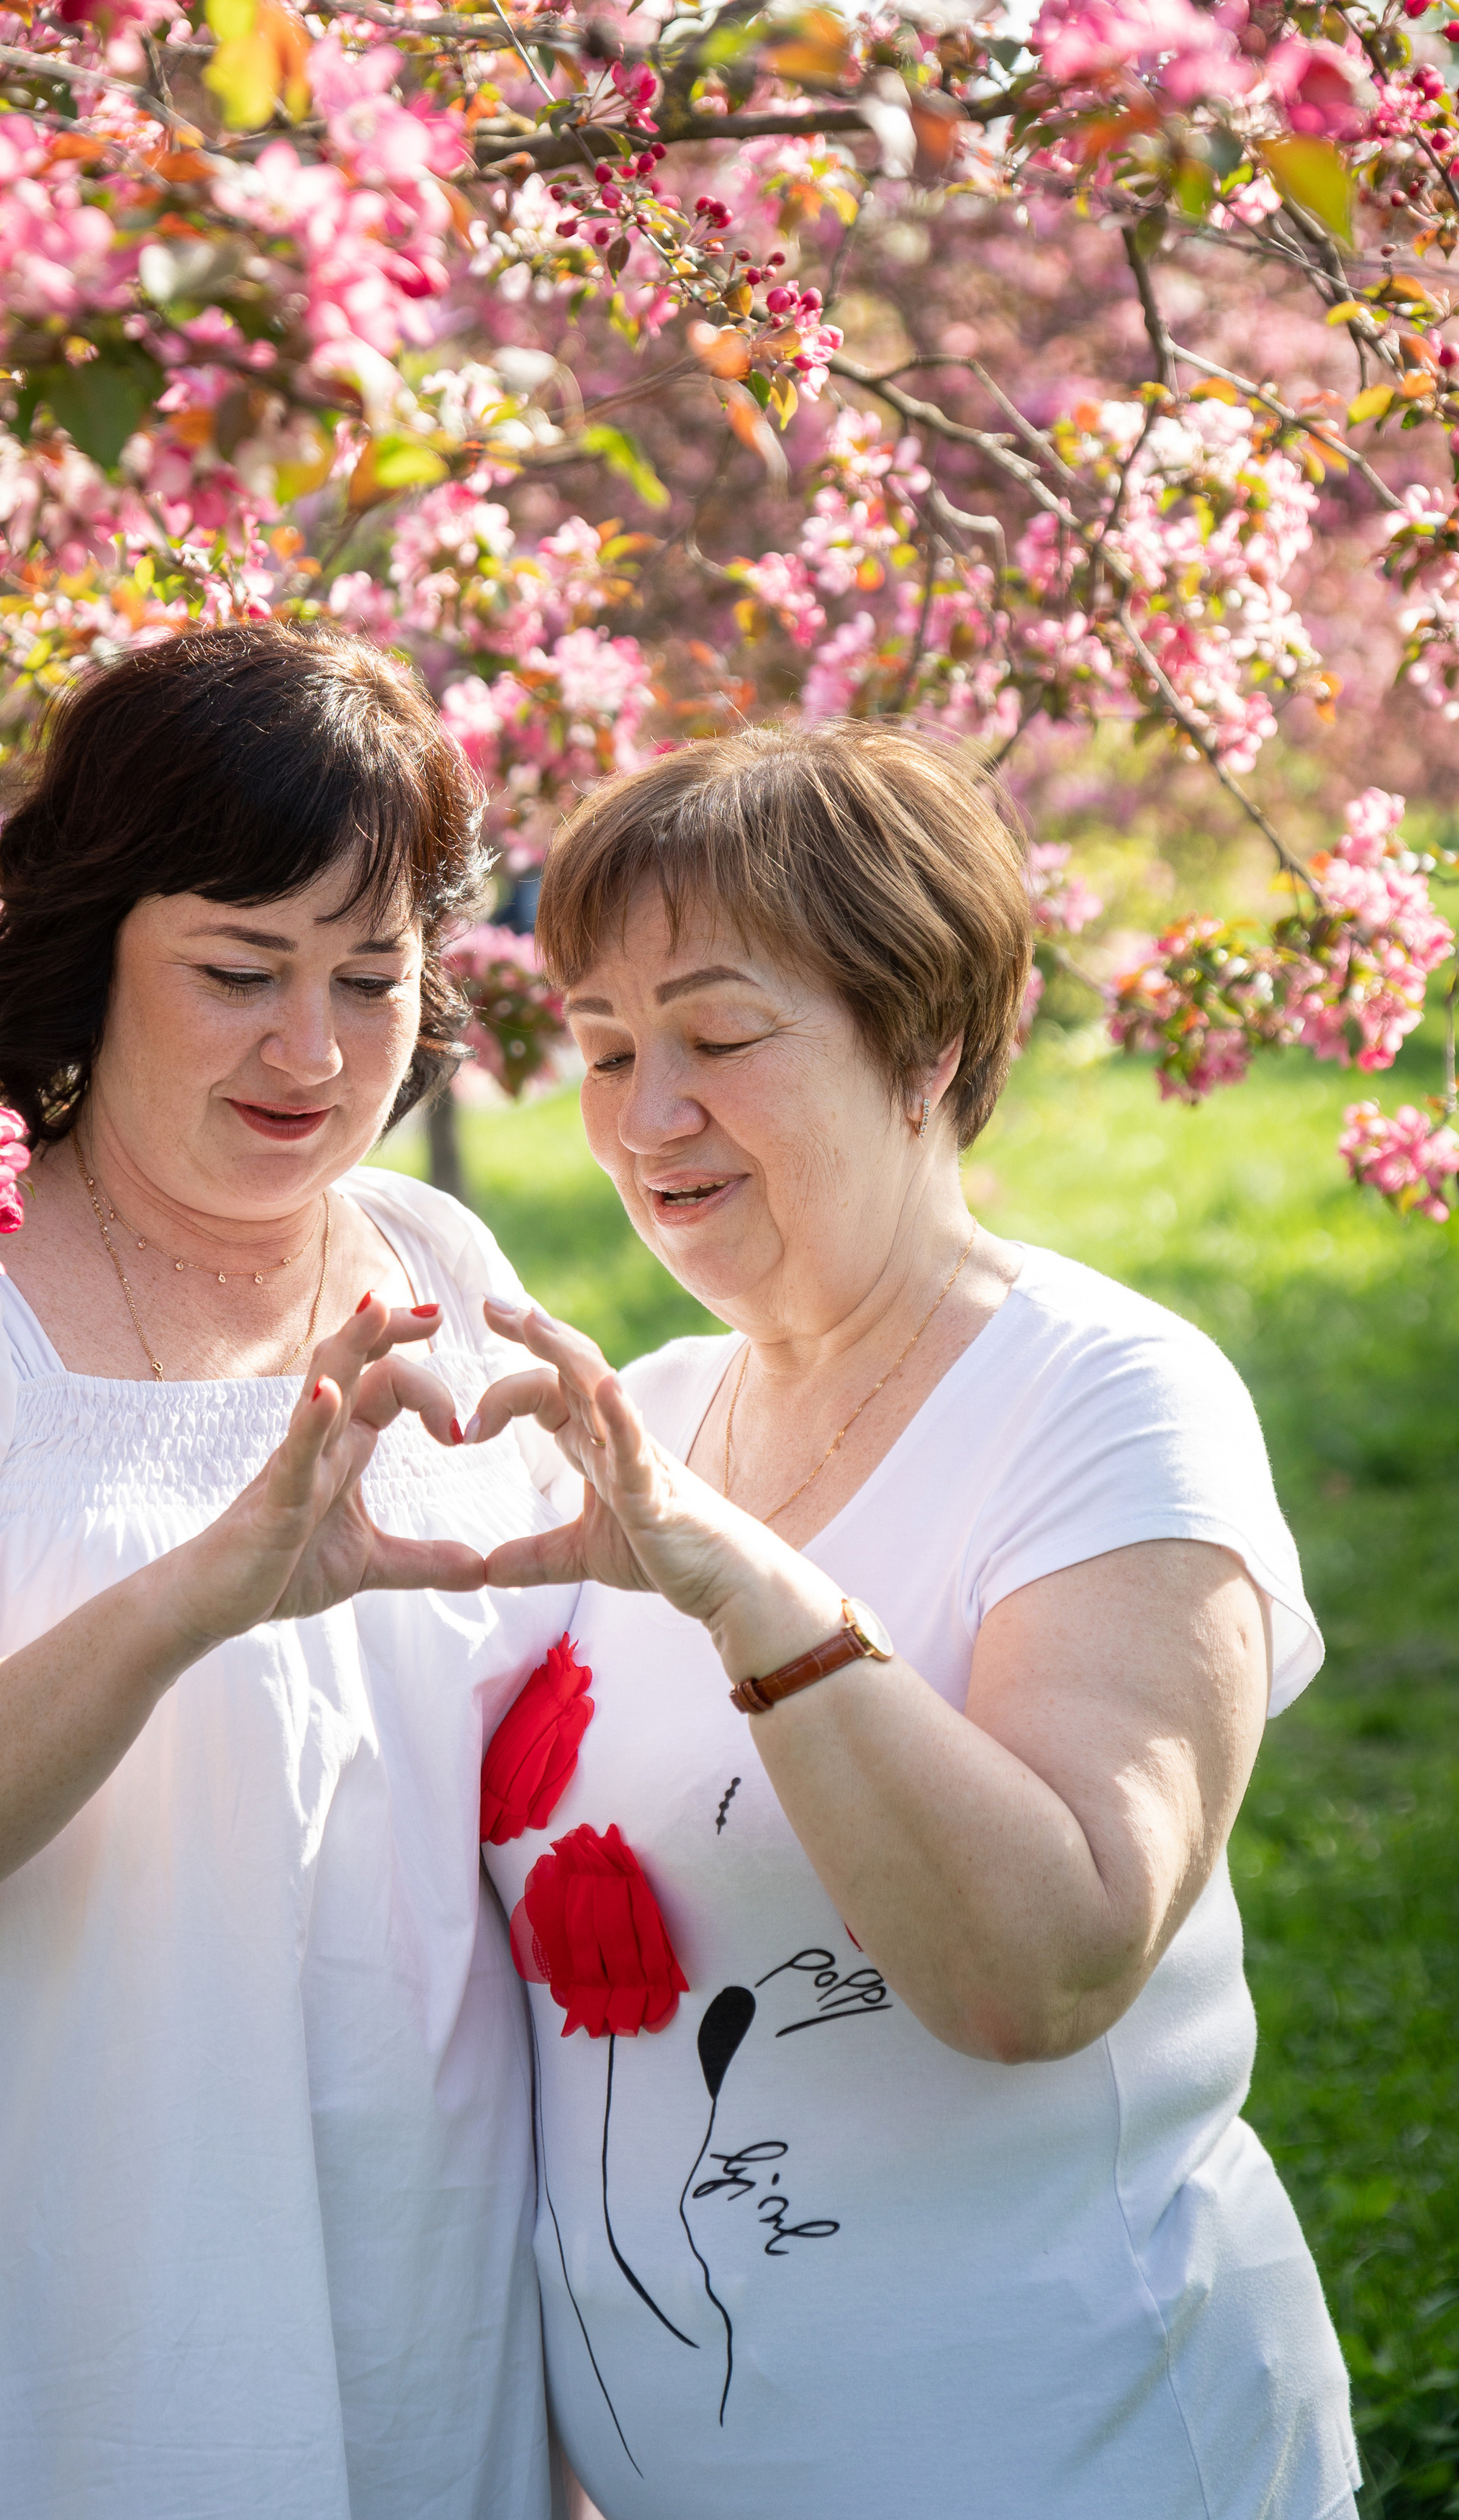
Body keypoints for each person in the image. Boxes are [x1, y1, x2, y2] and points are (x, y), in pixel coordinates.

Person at [0, 625, 577, 2520]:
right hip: (54, 2307)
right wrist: (204, 1586)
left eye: (372, 976)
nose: (313, 1052)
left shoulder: (435, 1269)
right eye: (239, 970)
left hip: (431, 2273)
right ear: (96, 948)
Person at [468, 725, 1360, 2520]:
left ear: (924, 1045)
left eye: (718, 1038)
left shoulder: (1105, 1398)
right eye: (606, 1050)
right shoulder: (646, 1404)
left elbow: (1039, 1968)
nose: (650, 1116)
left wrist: (749, 1590)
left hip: (1067, 2457)